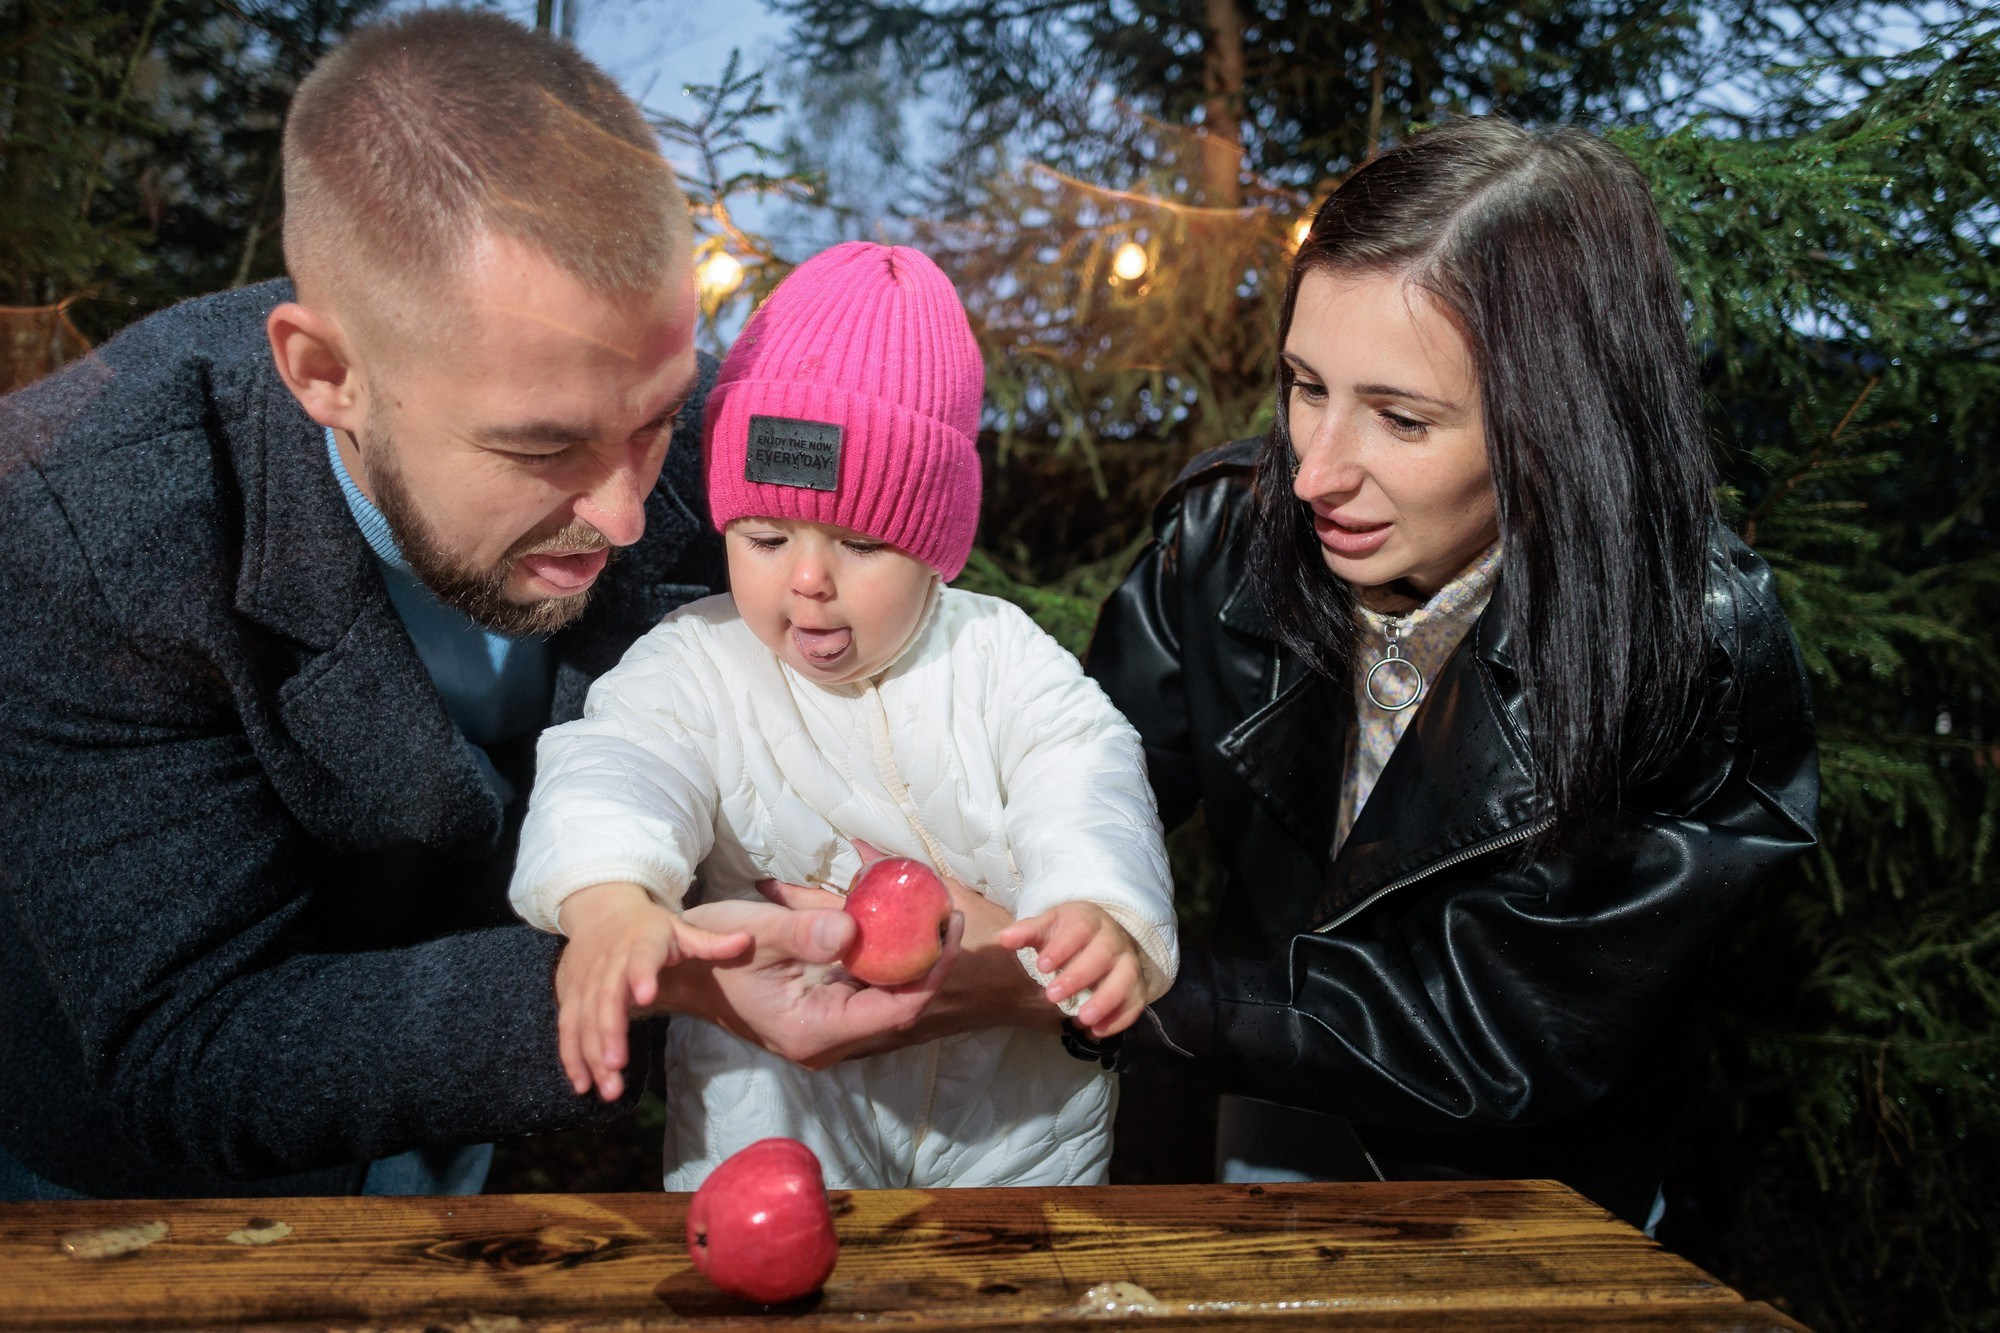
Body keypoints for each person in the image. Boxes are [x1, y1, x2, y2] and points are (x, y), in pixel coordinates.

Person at [0, 11, 947, 1202]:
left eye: (656, 414)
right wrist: (655, 980)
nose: (624, 511)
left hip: (462, 1154)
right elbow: (189, 1044)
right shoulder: (81, 526)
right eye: (540, 447)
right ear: (326, 375)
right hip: (132, 1200)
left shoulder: (704, 449)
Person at [1070, 117, 1821, 1226]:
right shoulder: (1223, 537)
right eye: (1302, 384)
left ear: (1553, 426)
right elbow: (1073, 780)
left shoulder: (1695, 647)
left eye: (1400, 418)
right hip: (1258, 1123)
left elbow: (1497, 1031)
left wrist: (1129, 995)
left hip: (1533, 1208)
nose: (1315, 471)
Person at [509, 241, 1178, 1190]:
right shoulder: (696, 664)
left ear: (937, 546)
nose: (809, 579)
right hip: (774, 1121)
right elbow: (619, 761)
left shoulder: (997, 656)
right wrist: (611, 898)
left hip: (1015, 1134)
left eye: (862, 541)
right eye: (767, 536)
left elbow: (1085, 768)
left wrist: (1100, 908)